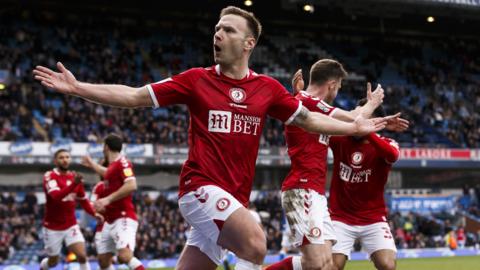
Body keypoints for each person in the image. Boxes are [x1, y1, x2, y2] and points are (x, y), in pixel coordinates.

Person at [33, 6, 390, 269]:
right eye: (217, 29)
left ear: (249, 43)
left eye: (228, 30)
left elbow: (310, 119)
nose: (217, 34)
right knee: (255, 244)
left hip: (233, 197)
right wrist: (79, 88)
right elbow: (134, 96)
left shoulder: (266, 89)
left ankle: (307, 265)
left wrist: (355, 127)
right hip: (199, 188)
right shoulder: (195, 80)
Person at [266, 60, 408, 270]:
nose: (338, 91)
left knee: (324, 265)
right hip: (302, 188)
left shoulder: (310, 103)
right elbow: (353, 119)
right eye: (339, 86)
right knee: (315, 264)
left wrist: (382, 121)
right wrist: (373, 103)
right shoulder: (309, 101)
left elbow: (350, 123)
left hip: (315, 193)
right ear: (332, 84)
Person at [329, 99, 401, 270]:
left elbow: (392, 155)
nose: (356, 121)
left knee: (388, 265)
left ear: (374, 122)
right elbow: (315, 123)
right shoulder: (340, 139)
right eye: (356, 116)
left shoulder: (387, 144)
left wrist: (367, 131)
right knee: (332, 266)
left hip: (373, 218)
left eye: (362, 117)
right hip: (340, 217)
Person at [81, 134, 144, 270]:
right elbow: (107, 172)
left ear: (106, 147)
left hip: (123, 217)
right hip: (109, 222)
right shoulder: (113, 167)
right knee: (103, 261)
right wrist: (92, 164)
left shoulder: (123, 162)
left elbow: (132, 185)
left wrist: (107, 199)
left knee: (124, 257)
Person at [40, 149, 98, 270]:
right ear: (55, 161)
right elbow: (56, 197)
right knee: (53, 262)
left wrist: (95, 214)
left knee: (82, 256)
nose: (65, 160)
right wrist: (74, 184)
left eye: (67, 157)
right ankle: (43, 266)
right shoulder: (49, 176)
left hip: (71, 225)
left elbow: (83, 200)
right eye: (61, 157)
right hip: (52, 227)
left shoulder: (74, 177)